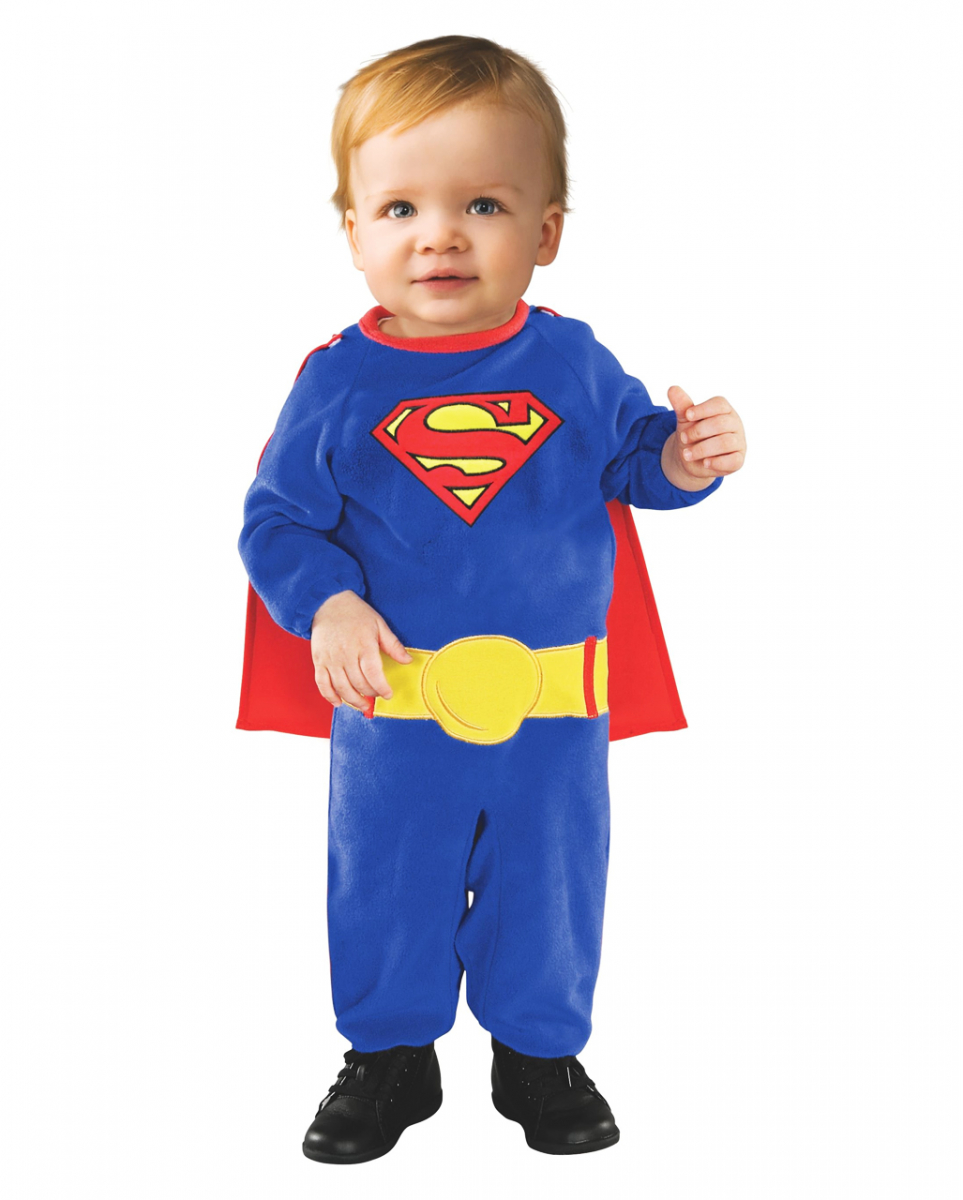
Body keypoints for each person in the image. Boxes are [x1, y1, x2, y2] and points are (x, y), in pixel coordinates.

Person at [237, 34, 747, 1163]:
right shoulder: (339, 380)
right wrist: (328, 605)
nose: (441, 235)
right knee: (387, 886)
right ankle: (389, 1056)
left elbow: (637, 461)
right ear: (355, 232)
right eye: (401, 207)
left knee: (549, 887)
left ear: (546, 232)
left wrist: (687, 457)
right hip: (396, 710)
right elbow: (275, 523)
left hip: (551, 713)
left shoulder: (570, 364)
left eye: (482, 203)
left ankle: (538, 1054)